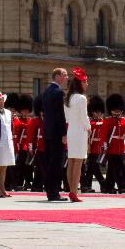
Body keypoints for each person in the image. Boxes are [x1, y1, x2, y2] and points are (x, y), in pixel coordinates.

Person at [40, 68, 67, 201]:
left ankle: (50, 191)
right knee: (56, 164)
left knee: (50, 163)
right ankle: (54, 193)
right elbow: (59, 115)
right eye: (64, 75)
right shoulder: (58, 92)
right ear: (57, 76)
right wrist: (63, 133)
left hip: (48, 131)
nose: (66, 77)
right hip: (56, 132)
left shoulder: (46, 91)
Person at [63, 67, 89, 202]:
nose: (87, 84)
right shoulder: (81, 98)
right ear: (80, 84)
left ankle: (71, 190)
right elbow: (84, 117)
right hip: (79, 131)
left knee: (71, 162)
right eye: (85, 82)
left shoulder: (68, 98)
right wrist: (89, 128)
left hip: (71, 131)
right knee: (78, 163)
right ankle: (74, 191)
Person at [0, 92, 14, 197]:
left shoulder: (9, 112)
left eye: (1, 100)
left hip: (7, 141)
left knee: (4, 165)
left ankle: (2, 186)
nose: (1, 102)